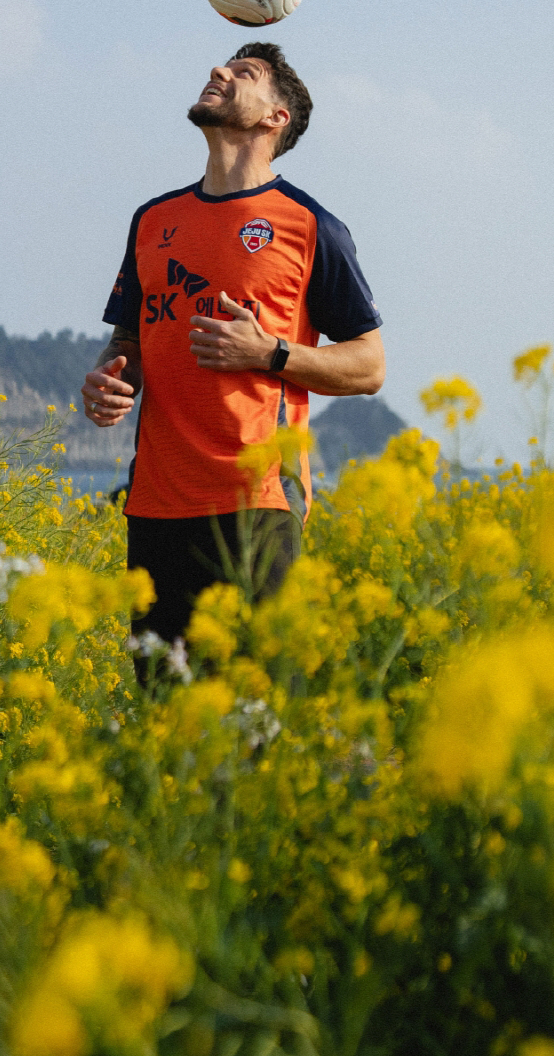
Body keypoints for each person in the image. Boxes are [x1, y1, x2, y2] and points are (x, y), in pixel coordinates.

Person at [81, 41, 384, 653]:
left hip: (257, 502)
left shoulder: (310, 224)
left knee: (254, 700)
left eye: (244, 73)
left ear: (276, 117)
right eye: (222, 66)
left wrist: (269, 353)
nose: (219, 71)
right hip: (155, 503)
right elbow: (127, 339)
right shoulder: (151, 219)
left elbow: (369, 365)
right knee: (163, 702)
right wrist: (111, 380)